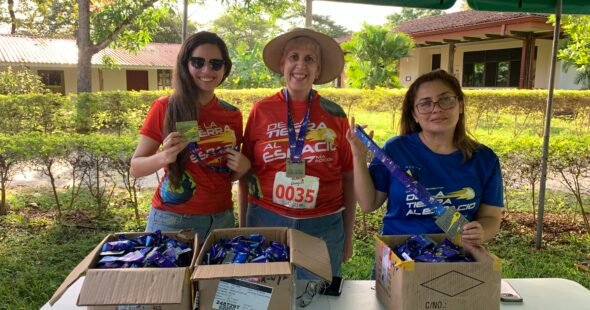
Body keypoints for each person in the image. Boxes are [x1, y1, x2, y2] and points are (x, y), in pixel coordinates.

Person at [238, 28, 355, 277]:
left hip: (323, 224)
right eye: (294, 57)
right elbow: (245, 172)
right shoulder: (262, 110)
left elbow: (348, 176)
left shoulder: (334, 114)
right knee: (265, 295)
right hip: (266, 219)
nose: (300, 65)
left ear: (318, 69)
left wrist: (348, 234)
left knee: (315, 297)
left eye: (309, 59)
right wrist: (243, 227)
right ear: (282, 64)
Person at [346, 69, 503, 249]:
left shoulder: (484, 159)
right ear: (414, 114)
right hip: (400, 256)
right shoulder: (396, 149)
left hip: (458, 257)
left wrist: (481, 231)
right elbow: (368, 204)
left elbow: (491, 217)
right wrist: (358, 157)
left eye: (445, 99)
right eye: (425, 103)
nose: (436, 108)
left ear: (460, 105)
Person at [130, 31, 250, 238]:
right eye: (198, 62)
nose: (207, 70)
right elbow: (135, 168)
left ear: (225, 69)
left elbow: (223, 174)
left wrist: (243, 168)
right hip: (173, 220)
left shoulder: (232, 114)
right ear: (186, 65)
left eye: (215, 64)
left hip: (222, 218)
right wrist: (164, 157)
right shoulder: (165, 107)